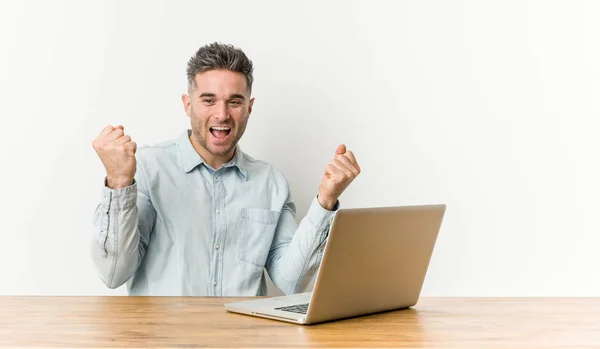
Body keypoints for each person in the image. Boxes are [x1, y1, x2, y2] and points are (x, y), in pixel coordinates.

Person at [90, 42, 361, 296]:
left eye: (234, 101)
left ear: (249, 107)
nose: (222, 114)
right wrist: (119, 182)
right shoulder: (147, 170)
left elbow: (292, 281)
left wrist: (325, 200)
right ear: (188, 104)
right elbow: (113, 274)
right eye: (209, 100)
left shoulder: (271, 183)